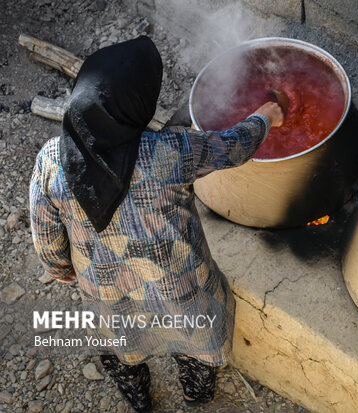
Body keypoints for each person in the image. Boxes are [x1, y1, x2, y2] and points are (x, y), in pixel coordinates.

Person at [29, 36, 283, 412]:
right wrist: (265, 118)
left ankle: (139, 399)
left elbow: (47, 239)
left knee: (121, 348)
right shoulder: (170, 151)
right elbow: (233, 147)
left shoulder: (51, 161)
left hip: (108, 297)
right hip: (181, 291)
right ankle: (195, 393)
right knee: (194, 341)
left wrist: (63, 268)